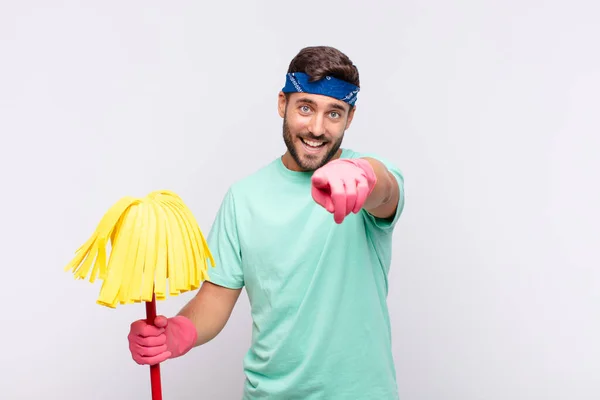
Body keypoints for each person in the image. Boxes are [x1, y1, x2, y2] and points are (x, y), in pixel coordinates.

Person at [127, 45, 405, 399]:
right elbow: (215, 297)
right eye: (305, 108)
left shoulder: (364, 177)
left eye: (334, 113)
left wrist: (364, 174)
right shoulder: (244, 198)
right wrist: (177, 332)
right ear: (282, 104)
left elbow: (386, 193)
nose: (317, 128)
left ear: (349, 118)